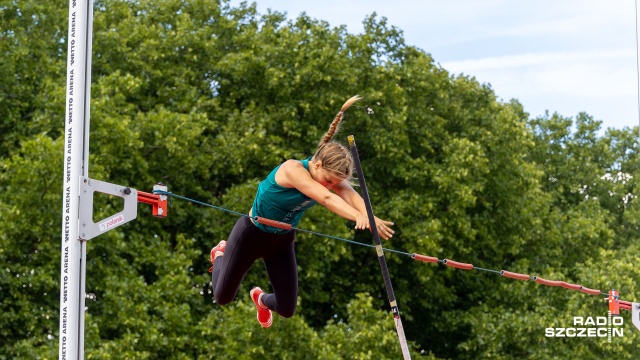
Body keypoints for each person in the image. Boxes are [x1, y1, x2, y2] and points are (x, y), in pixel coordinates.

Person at [209, 95, 394, 328]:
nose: (330, 185)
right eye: (328, 179)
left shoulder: (327, 175)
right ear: (317, 165)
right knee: (222, 296)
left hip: (282, 241)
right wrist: (357, 216)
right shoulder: (292, 170)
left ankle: (260, 299)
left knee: (286, 309)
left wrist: (370, 216)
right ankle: (220, 254)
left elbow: (349, 195)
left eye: (334, 182)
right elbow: (326, 198)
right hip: (251, 235)